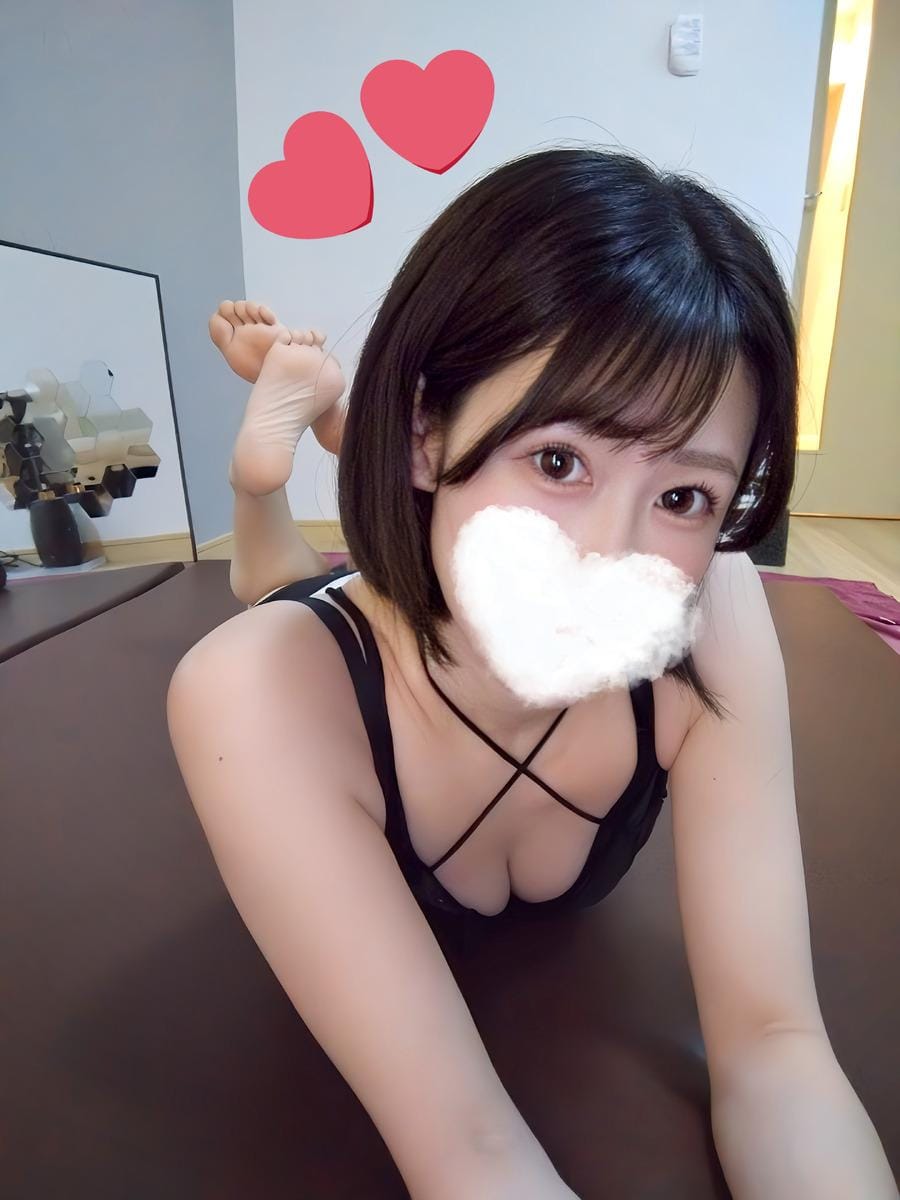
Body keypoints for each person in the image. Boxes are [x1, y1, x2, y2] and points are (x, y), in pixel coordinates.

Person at [167, 149, 898, 1200]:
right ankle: (266, 472)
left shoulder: (710, 602)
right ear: (424, 432)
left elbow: (777, 1043)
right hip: (353, 636)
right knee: (272, 586)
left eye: (683, 497)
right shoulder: (252, 695)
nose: (610, 556)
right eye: (559, 462)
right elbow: (465, 1144)